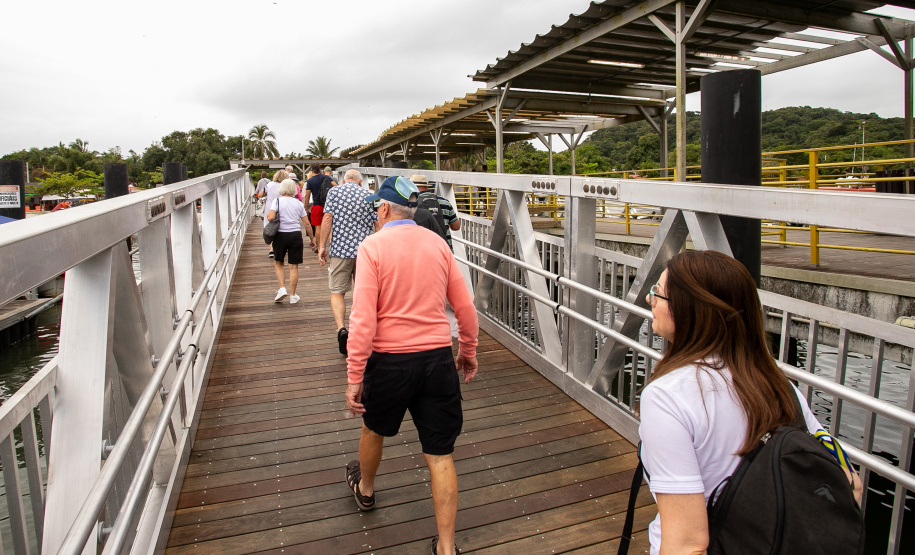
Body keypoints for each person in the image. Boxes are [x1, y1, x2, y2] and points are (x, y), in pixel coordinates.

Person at [637, 250, 862, 555]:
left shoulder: (667, 397)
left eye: (658, 292)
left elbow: (687, 544)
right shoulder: (777, 384)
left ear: (689, 310)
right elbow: (851, 483)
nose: (649, 299)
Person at [343, 175, 479, 555]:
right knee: (440, 453)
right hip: (437, 360)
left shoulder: (372, 247)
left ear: (385, 208)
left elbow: (362, 320)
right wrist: (467, 350)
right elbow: (465, 307)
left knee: (374, 428)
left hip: (389, 362)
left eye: (376, 207)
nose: (375, 213)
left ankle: (366, 490)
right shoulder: (437, 244)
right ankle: (447, 547)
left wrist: (355, 376)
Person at [317, 169, 376, 355]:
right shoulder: (369, 194)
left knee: (337, 291)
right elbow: (378, 223)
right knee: (364, 292)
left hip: (340, 250)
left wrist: (322, 246)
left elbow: (327, 218)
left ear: (344, 181)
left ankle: (341, 329)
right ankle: (361, 332)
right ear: (360, 182)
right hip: (365, 251)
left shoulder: (334, 192)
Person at [265, 179, 315, 303]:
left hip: (280, 235)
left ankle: (282, 288)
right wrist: (312, 239)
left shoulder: (277, 201)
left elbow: (270, 217)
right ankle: (293, 296)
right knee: (293, 266)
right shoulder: (298, 203)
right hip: (295, 235)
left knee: (279, 263)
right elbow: (306, 223)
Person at [412, 174, 460, 252]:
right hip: (445, 250)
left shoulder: (412, 204)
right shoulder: (444, 202)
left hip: (424, 251)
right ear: (426, 186)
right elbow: (456, 226)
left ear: (413, 187)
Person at [263, 169, 289, 259]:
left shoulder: (269, 184)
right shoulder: (285, 185)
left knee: (270, 227)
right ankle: (282, 247)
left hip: (270, 208)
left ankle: (271, 250)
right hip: (282, 207)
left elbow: (261, 193)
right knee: (282, 226)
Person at [304, 164, 329, 251]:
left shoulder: (310, 181)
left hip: (316, 205)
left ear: (312, 170)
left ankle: (320, 247)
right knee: (329, 225)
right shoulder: (326, 177)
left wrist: (306, 208)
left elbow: (307, 196)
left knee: (317, 227)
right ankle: (330, 244)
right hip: (327, 205)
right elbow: (335, 186)